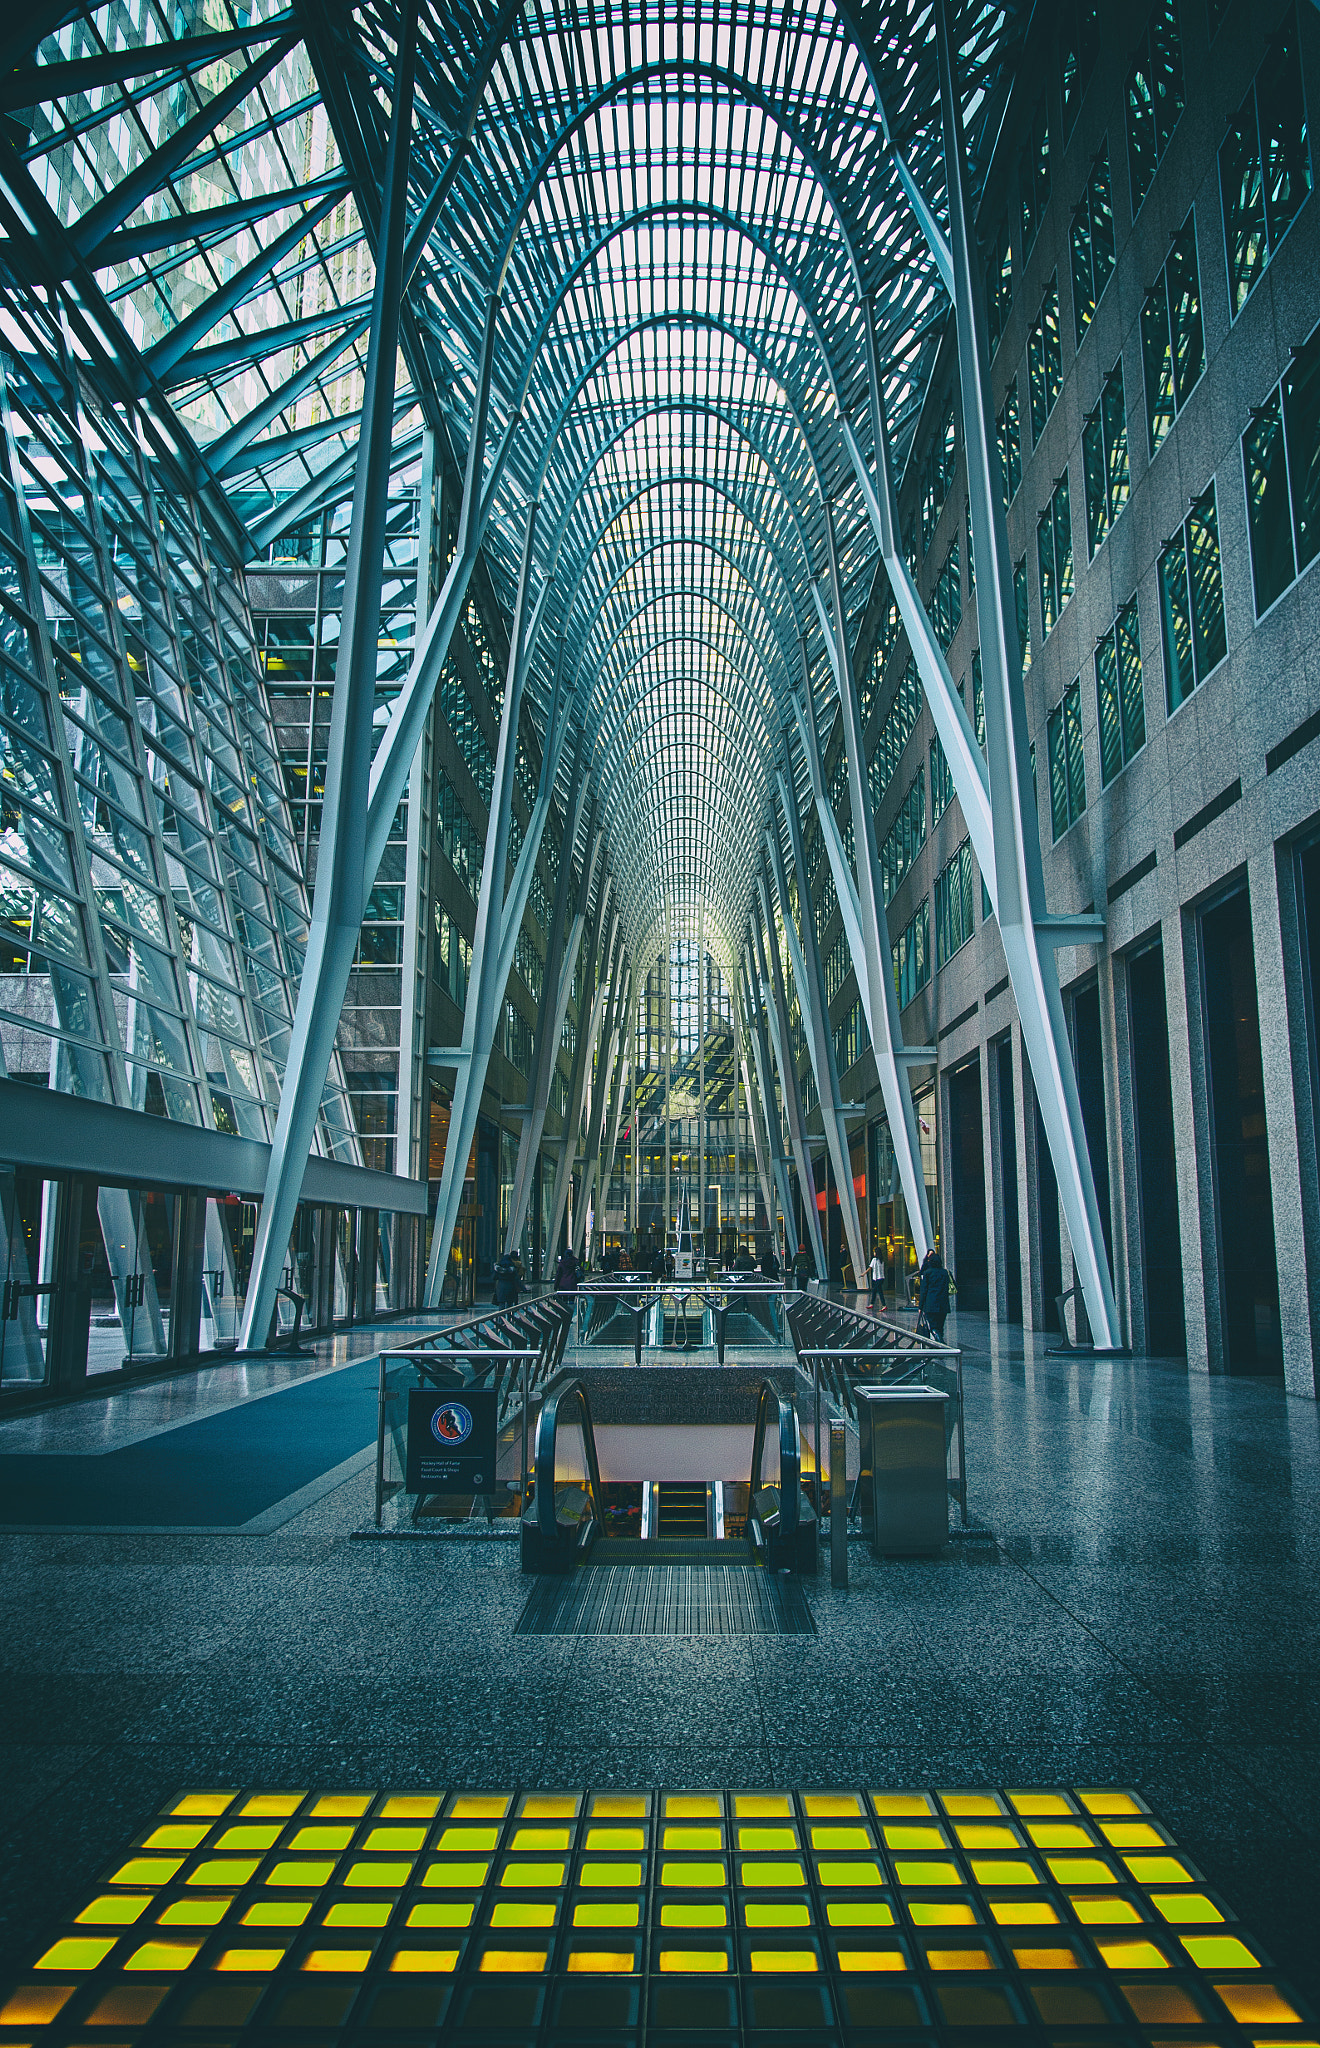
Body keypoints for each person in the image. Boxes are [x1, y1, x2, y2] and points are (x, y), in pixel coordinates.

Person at [917, 1245, 952, 1340]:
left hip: (930, 1304)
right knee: (940, 1326)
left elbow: (924, 1291)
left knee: (933, 1326)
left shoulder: (927, 1273)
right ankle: (939, 1342)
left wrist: (920, 1306)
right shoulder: (945, 1272)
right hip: (943, 1303)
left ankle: (939, 1342)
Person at [867, 1244, 887, 1312]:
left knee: (877, 1291)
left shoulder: (874, 1260)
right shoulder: (881, 1260)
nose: (874, 1253)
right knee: (875, 1291)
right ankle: (872, 1303)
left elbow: (870, 1268)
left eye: (874, 1252)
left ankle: (884, 1305)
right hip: (880, 1278)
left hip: (877, 1278)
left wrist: (863, 1274)